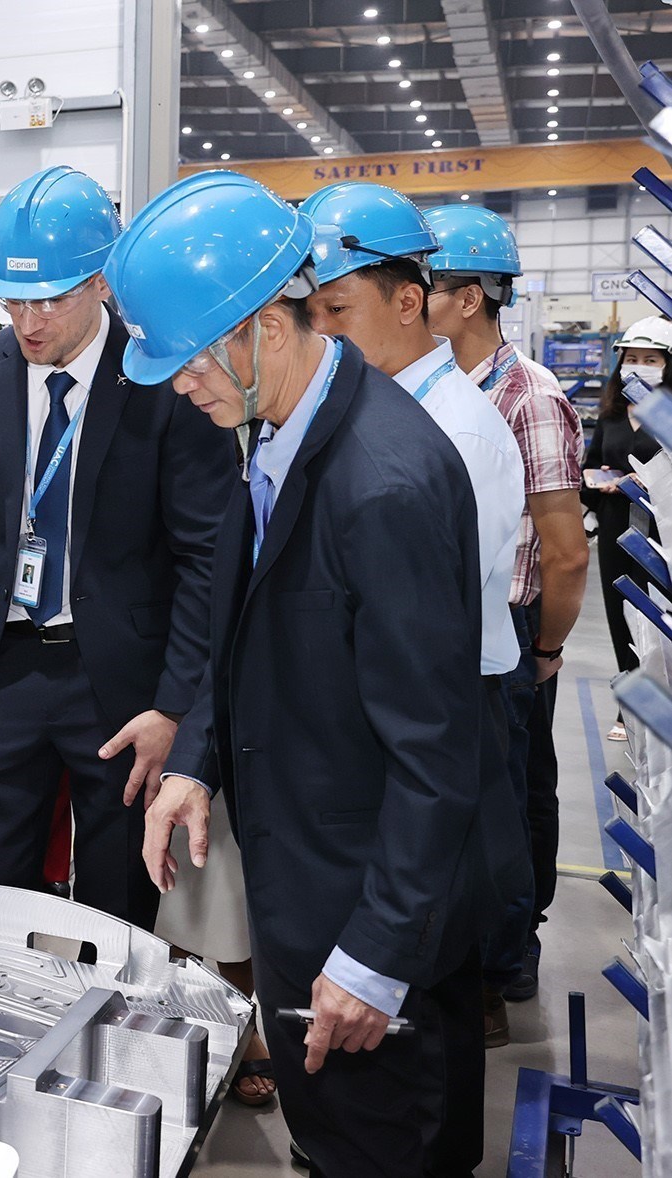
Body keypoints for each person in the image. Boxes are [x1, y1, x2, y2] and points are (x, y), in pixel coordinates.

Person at [114, 170, 492, 1177]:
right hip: (301, 885)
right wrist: (195, 761)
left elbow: (435, 758)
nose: (180, 387)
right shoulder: (277, 432)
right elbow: (245, 630)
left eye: (190, 362)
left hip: (363, 916)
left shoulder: (383, 485)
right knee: (327, 1139)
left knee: (377, 1146)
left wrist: (372, 959)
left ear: (265, 330)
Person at [0, 165, 234, 932]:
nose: (28, 322)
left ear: (100, 283)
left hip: (122, 687)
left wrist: (172, 705)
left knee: (115, 903)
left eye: (50, 299)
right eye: (14, 300)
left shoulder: (165, 379)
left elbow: (205, 558)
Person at [301, 181, 527, 1055]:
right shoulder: (378, 409)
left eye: (336, 310)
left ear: (407, 302)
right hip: (396, 704)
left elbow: (430, 624)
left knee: (424, 947)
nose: (321, 331)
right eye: (310, 312)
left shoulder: (451, 434)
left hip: (445, 708)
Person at [425, 204, 589, 1015]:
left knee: (509, 796)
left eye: (424, 283)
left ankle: (504, 962)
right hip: (446, 623)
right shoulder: (429, 386)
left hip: (513, 625)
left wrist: (546, 649)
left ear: (468, 298)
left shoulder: (528, 396)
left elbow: (565, 550)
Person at [585, 315, 671, 739]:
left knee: (656, 617)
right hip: (616, 525)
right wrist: (601, 481)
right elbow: (591, 466)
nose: (638, 366)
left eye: (650, 359)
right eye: (631, 358)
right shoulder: (613, 416)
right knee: (621, 614)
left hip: (661, 530)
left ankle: (661, 704)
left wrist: (652, 479)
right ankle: (630, 707)